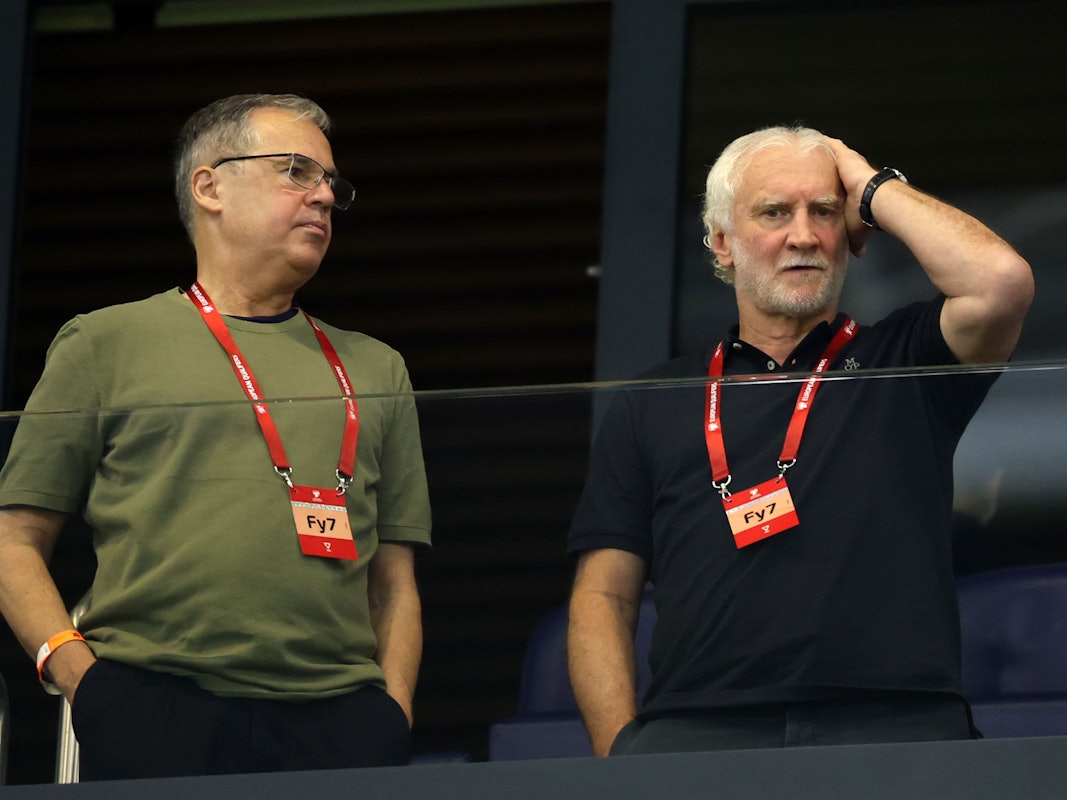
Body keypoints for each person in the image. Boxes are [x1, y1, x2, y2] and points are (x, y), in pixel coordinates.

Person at [0, 94, 432, 779]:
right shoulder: (104, 343)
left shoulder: (377, 367)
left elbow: (395, 581)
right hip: (155, 708)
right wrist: (80, 676)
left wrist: (392, 710)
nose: (324, 195)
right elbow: (13, 539)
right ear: (209, 187)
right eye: (296, 170)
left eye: (330, 182)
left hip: (340, 722)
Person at [567, 125, 1034, 757]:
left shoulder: (904, 358)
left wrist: (869, 185)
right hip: (699, 730)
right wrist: (620, 757)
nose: (805, 235)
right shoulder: (655, 398)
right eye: (774, 213)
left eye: (825, 211)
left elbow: (1000, 281)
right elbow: (604, 594)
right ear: (723, 242)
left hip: (896, 725)